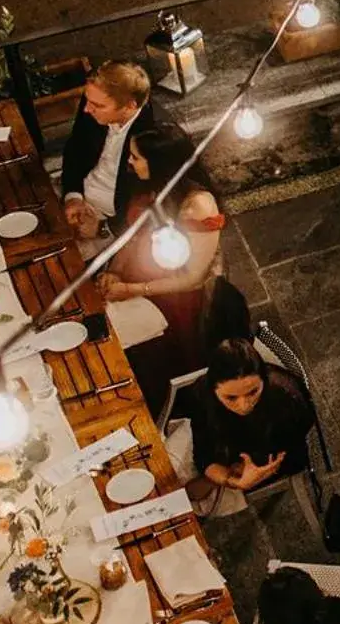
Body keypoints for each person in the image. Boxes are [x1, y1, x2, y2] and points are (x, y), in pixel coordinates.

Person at [96, 124, 248, 412]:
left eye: (136, 157)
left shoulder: (197, 206)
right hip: (140, 278)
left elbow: (192, 277)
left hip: (183, 300)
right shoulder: (148, 184)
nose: (130, 162)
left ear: (160, 162)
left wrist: (131, 289)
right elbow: (133, 236)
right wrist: (115, 271)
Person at [190, 337, 316, 501]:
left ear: (264, 380)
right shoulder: (202, 394)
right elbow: (203, 454)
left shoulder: (286, 399)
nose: (243, 405)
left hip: (275, 452)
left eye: (252, 392)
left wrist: (238, 472)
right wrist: (232, 480)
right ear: (213, 390)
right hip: (230, 445)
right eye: (231, 397)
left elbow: (290, 448)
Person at [60, 61, 160, 242]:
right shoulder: (94, 102)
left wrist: (102, 228)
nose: (86, 109)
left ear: (130, 105)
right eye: (87, 100)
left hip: (115, 223)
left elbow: (151, 202)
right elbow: (75, 149)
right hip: (80, 197)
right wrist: (72, 195)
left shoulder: (153, 137)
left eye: (98, 105)